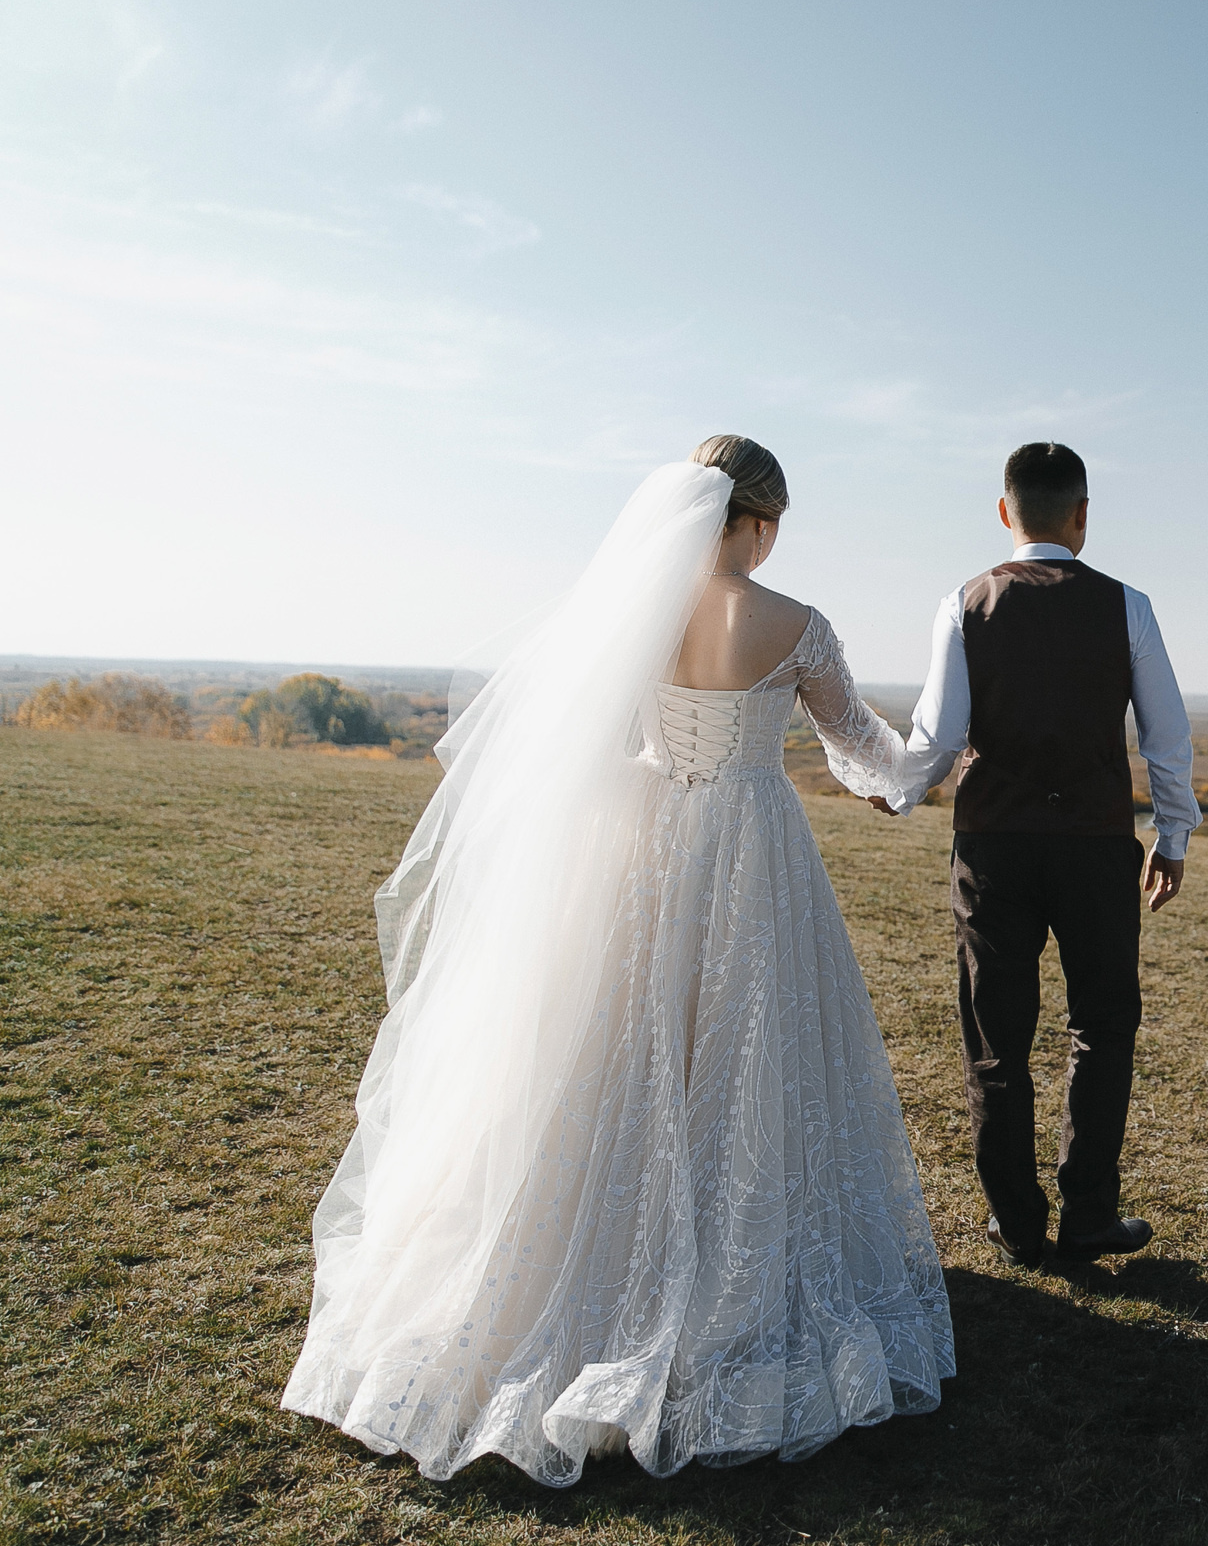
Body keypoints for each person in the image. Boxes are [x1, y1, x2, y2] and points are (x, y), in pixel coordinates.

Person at [281, 438, 954, 1486]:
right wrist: (927, 765)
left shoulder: (629, 612)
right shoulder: (797, 625)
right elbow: (862, 745)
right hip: (748, 852)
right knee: (744, 1048)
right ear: (763, 522)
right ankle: (724, 1270)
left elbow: (572, 745)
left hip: (638, 850)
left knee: (612, 1048)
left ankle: (579, 1259)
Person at [894, 442, 1199, 1270]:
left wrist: (895, 789)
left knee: (997, 1035)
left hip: (992, 847)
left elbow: (938, 736)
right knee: (1103, 1026)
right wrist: (1172, 837)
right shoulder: (1127, 605)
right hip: (1097, 846)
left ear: (1005, 513)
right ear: (1083, 515)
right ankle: (1089, 1213)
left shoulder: (964, 603)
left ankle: (1017, 1222)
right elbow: (1166, 733)